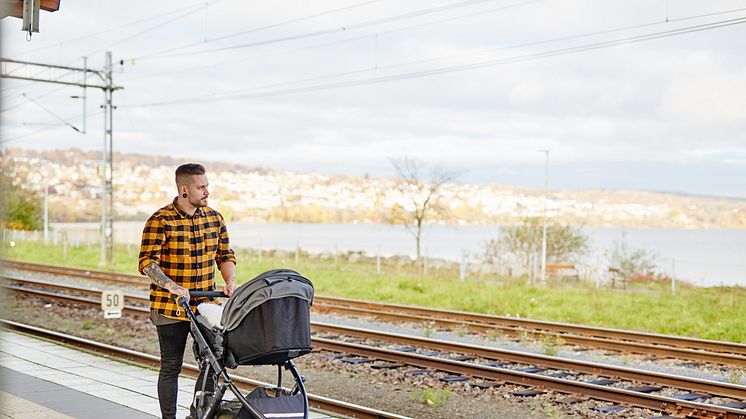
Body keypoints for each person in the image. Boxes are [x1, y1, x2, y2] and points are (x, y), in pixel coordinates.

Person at [138, 163, 237, 419]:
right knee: (171, 366)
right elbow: (147, 262)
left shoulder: (215, 218)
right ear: (184, 190)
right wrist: (171, 285)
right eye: (201, 187)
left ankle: (198, 415)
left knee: (214, 362)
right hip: (170, 307)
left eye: (207, 186)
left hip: (205, 304)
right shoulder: (160, 220)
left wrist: (229, 281)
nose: (207, 191)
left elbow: (224, 254)